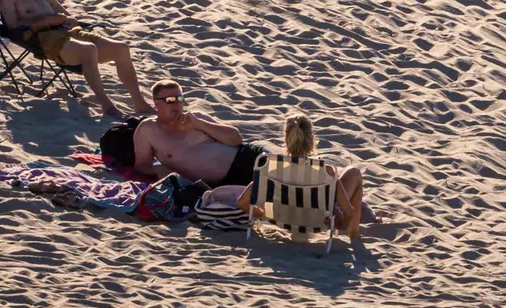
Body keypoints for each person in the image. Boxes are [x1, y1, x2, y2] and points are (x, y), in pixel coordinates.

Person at [0, 0, 153, 117]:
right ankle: (107, 106)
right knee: (89, 50)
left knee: (121, 48)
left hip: (69, 32)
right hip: (45, 39)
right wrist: (46, 21)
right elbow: (13, 26)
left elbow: (71, 18)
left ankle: (139, 104)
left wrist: (64, 19)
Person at [203, 114, 370, 241]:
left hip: (282, 219)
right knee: (354, 173)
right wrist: (342, 223)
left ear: (286, 139)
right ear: (311, 139)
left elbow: (242, 202)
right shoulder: (324, 171)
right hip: (319, 221)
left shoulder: (270, 168)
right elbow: (348, 211)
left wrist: (266, 214)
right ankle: (354, 234)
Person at [133, 80, 260, 187]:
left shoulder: (196, 118)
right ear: (156, 102)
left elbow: (236, 139)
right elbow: (141, 166)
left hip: (247, 158)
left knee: (277, 174)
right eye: (170, 100)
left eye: (180, 99)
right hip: (226, 183)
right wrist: (157, 169)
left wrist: (199, 124)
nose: (177, 104)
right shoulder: (148, 130)